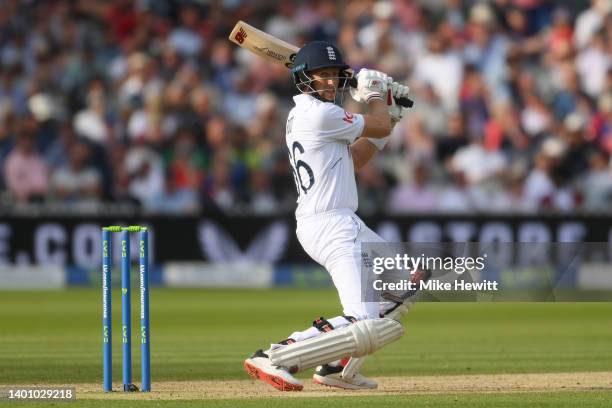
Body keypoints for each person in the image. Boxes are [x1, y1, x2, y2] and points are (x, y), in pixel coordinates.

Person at [243, 41, 415, 391]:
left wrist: (390, 113)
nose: (332, 83)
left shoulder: (315, 116)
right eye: (323, 75)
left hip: (339, 221)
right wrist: (377, 95)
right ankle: (276, 354)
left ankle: (336, 368)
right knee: (362, 318)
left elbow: (354, 161)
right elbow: (377, 124)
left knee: (403, 287)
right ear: (304, 77)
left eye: (336, 76)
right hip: (331, 224)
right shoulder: (320, 114)